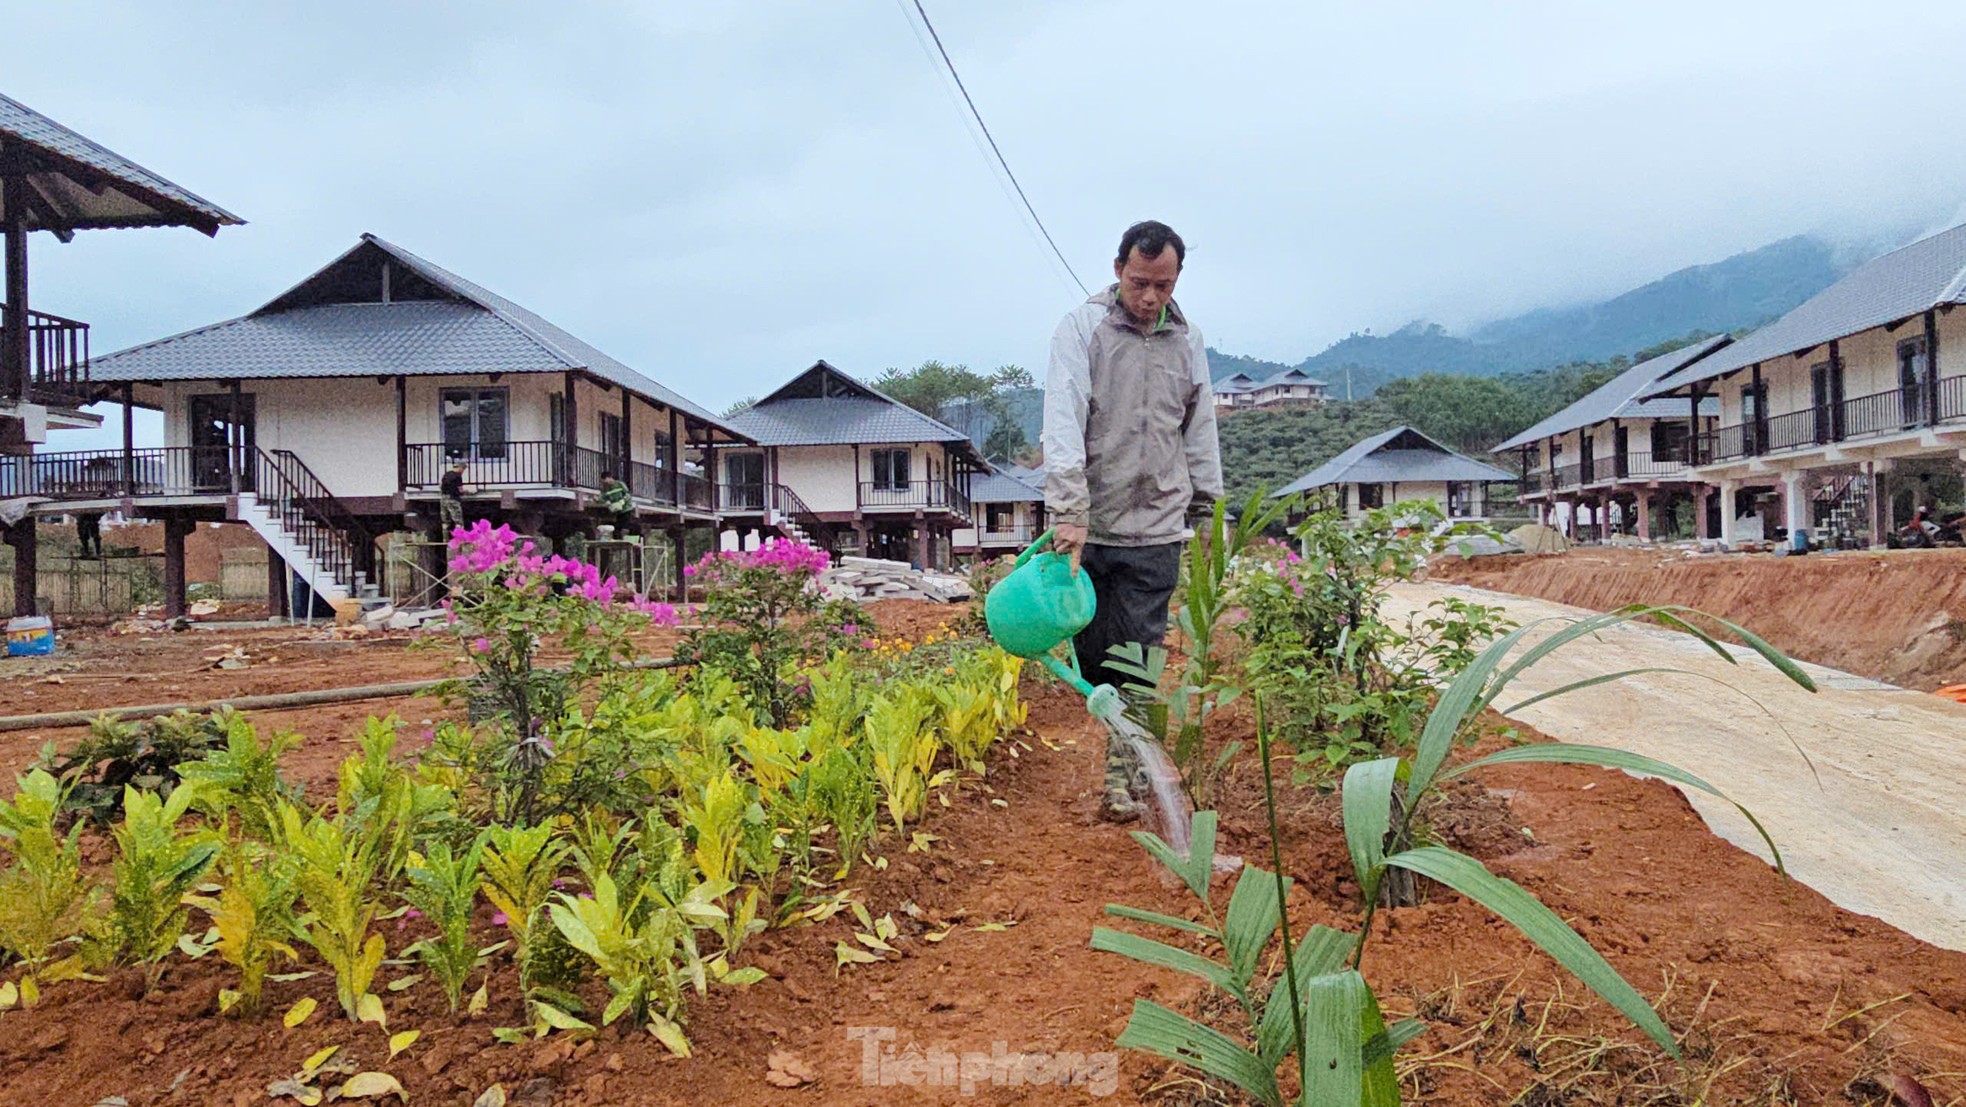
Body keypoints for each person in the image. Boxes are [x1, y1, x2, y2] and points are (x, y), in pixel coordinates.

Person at [1041, 220, 1223, 822]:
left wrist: (1207, 506)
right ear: (1119, 269)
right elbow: (1062, 419)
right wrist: (1068, 510)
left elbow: (1199, 426)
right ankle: (1122, 754)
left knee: (1139, 660)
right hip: (1091, 531)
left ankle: (1124, 780)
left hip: (1157, 528)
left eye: (1163, 286)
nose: (1150, 298)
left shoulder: (1187, 339)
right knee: (1096, 662)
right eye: (1140, 283)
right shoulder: (1082, 329)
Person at [600, 470, 636, 536]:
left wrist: (623, 501)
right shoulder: (607, 489)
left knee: (625, 526)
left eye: (605, 480)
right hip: (617, 511)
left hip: (626, 508)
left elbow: (628, 494)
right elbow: (603, 498)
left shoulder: (619, 484)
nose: (605, 482)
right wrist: (598, 500)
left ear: (609, 478)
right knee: (618, 528)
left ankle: (626, 539)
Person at [439, 461, 469, 535]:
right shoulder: (457, 476)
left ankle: (445, 540)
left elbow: (440, 486)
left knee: (445, 521)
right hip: (453, 499)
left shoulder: (446, 474)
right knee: (458, 521)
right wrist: (469, 491)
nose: (463, 471)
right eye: (463, 469)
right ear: (461, 468)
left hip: (443, 499)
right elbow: (460, 490)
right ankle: (459, 539)